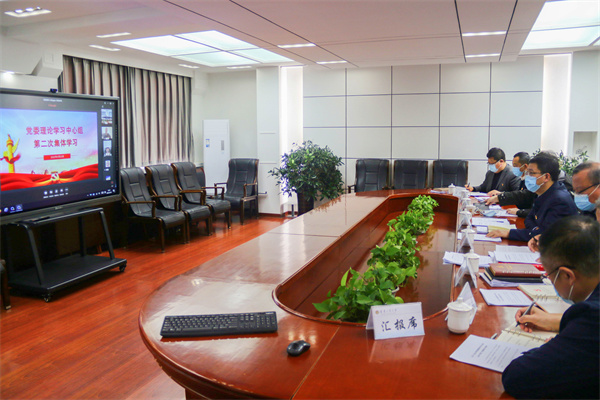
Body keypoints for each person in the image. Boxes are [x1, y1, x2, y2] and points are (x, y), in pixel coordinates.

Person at [502, 215, 599, 399]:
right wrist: (556, 322)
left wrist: (555, 346)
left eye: (548, 275)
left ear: (567, 276)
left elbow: (517, 377)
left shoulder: (593, 319)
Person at [487, 152, 578, 244]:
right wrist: (535, 229)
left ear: (546, 176)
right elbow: (529, 219)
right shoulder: (541, 192)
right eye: (527, 172)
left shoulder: (559, 200)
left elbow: (544, 235)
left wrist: (508, 233)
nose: (527, 176)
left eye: (531, 173)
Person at [486, 152, 536, 218]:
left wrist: (519, 211)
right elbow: (519, 194)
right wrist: (501, 195)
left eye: (515, 165)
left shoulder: (532, 182)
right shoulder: (523, 179)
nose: (513, 168)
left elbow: (524, 196)